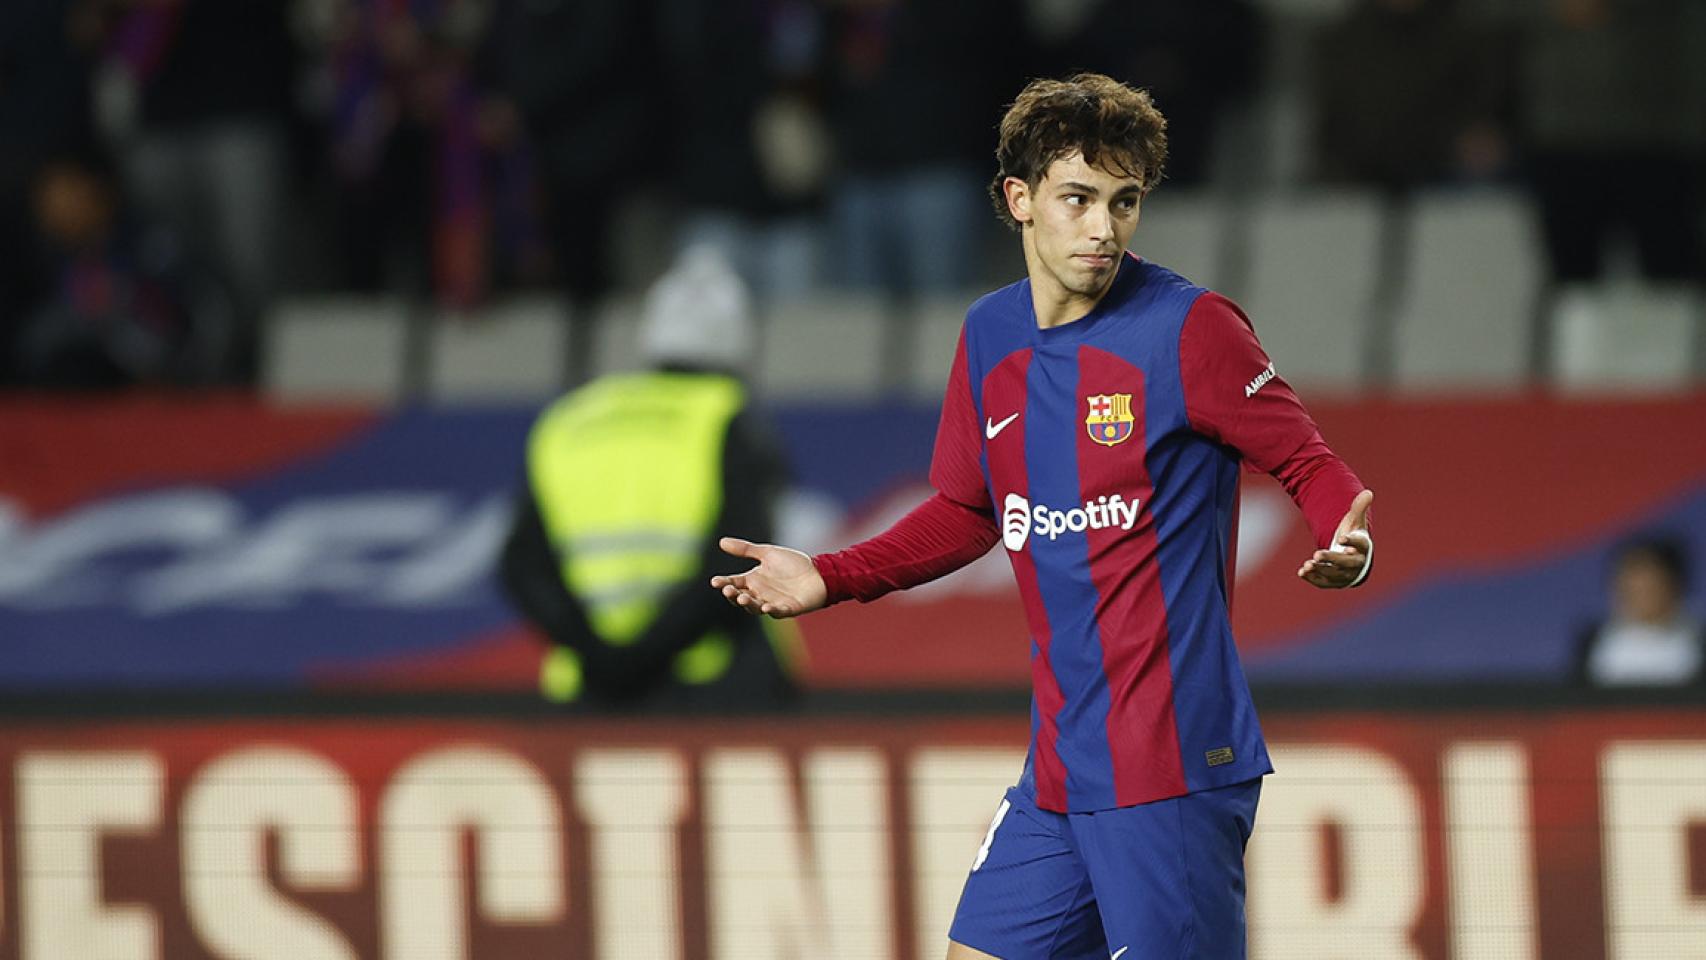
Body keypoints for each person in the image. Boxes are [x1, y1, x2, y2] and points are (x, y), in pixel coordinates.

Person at [713, 74, 1375, 959]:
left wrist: (1347, 536)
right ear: (1020, 200)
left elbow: (1306, 459)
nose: (1103, 228)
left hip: (1172, 770)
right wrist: (829, 576)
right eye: (1079, 199)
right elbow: (964, 510)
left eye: (1124, 201)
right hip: (1062, 771)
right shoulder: (990, 337)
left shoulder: (1191, 330)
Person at [500, 246, 800, 710]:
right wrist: (650, 653)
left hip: (588, 691)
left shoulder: (570, 419)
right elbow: (747, 560)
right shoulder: (729, 418)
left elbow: (522, 566)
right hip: (713, 685)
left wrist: (599, 654)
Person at [1573, 535, 1704, 688]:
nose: (1637, 596)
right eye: (1628, 588)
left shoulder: (1699, 642)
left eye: (1648, 588)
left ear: (1673, 585)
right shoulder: (1592, 642)